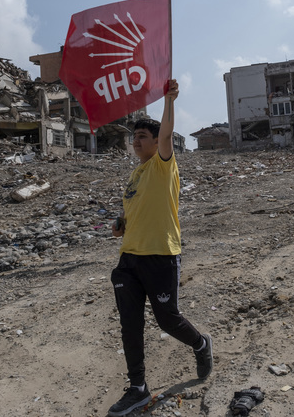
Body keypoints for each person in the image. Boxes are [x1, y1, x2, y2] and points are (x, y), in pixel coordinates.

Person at [107, 79, 213, 417]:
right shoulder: (136, 173)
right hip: (129, 258)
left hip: (161, 255)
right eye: (133, 137)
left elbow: (167, 134)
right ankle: (137, 388)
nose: (135, 141)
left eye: (142, 137)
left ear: (155, 142)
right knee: (130, 323)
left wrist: (168, 100)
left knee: (167, 320)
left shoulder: (163, 165)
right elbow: (133, 207)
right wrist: (121, 221)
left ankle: (200, 343)